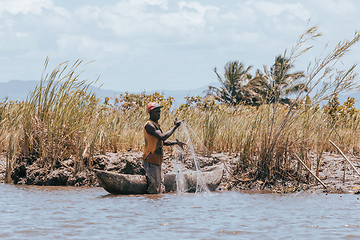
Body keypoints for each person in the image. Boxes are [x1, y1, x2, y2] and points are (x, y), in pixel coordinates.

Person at [142, 102, 186, 194]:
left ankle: (157, 204)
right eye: (156, 112)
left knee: (159, 186)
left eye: (159, 112)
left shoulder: (156, 125)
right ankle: (152, 204)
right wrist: (175, 126)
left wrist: (176, 143)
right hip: (151, 160)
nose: (158, 114)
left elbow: (163, 142)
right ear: (150, 113)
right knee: (154, 187)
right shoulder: (150, 125)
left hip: (157, 160)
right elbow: (163, 137)